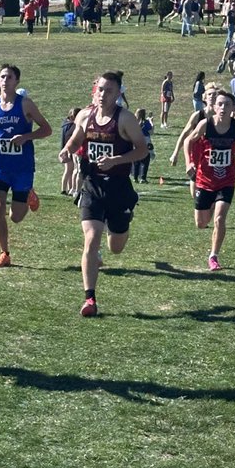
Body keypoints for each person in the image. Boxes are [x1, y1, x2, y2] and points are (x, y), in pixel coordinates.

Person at [58, 71, 148, 316]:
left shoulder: (125, 119)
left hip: (119, 188)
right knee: (91, 239)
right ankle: (90, 299)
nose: (103, 95)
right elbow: (76, 140)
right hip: (92, 185)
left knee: (116, 247)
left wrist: (117, 160)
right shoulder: (85, 116)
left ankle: (121, 222)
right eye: (100, 89)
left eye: (109, 90)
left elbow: (142, 150)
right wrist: (67, 150)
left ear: (119, 93)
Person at [0, 64, 52, 267]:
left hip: (22, 167)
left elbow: (47, 129)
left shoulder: (25, 104)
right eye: (2, 77)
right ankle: (4, 253)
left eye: (9, 77)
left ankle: (29, 193)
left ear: (16, 81)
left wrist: (26, 136)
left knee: (16, 217)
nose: (5, 80)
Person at [185, 88, 235, 270]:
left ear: (233, 108)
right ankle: (211, 206)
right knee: (201, 223)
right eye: (220, 104)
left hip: (226, 181)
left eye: (227, 104)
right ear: (214, 106)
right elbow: (188, 141)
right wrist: (189, 163)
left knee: (219, 219)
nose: (223, 107)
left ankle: (213, 256)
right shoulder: (205, 125)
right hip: (205, 180)